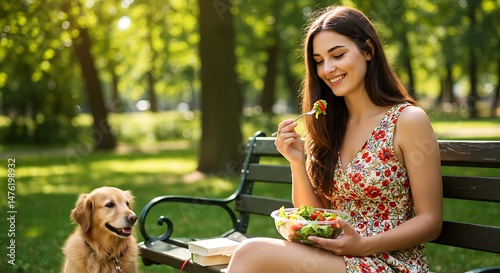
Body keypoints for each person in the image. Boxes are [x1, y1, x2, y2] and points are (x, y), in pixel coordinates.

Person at [226, 5, 442, 273]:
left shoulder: (408, 120)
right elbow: (318, 217)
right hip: (335, 258)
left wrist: (362, 245)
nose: (327, 69)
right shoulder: (329, 125)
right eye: (318, 61)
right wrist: (297, 161)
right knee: (251, 254)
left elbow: (431, 221)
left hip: (389, 262)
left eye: (337, 55)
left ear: (368, 50)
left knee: (251, 253)